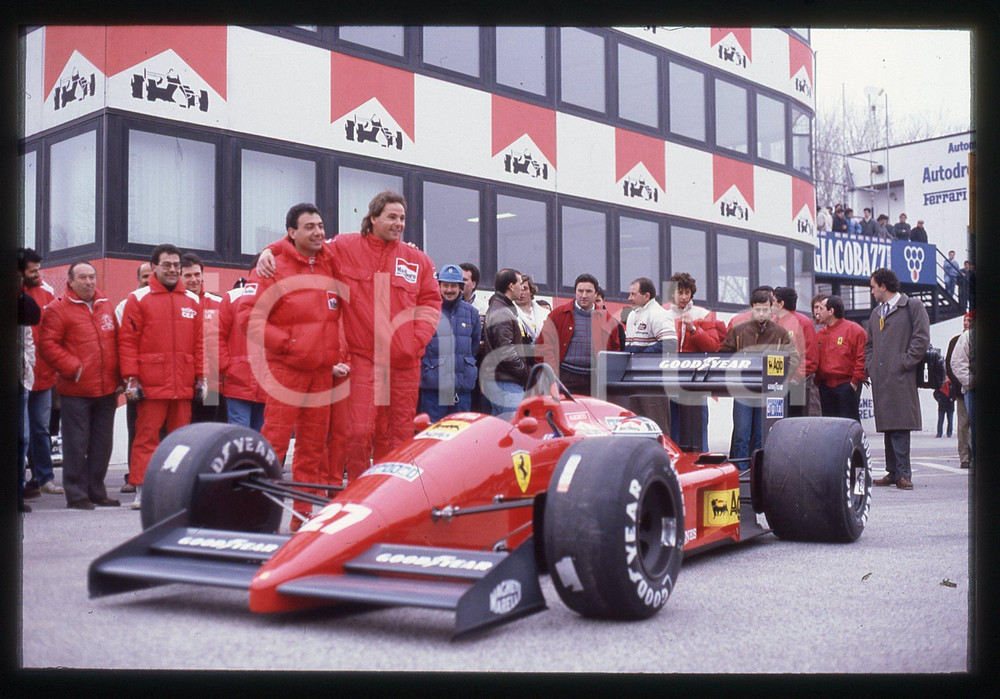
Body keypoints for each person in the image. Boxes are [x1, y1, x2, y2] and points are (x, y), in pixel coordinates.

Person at [257, 191, 442, 481]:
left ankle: (388, 497)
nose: (399, 224)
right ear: (373, 218)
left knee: (397, 436)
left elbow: (431, 302)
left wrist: (416, 341)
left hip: (404, 362)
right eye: (392, 217)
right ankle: (359, 490)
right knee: (358, 432)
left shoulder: (418, 260)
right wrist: (271, 249)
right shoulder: (344, 247)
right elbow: (307, 244)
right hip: (364, 357)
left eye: (402, 218)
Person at [241, 203, 347, 527]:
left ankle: (302, 518)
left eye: (320, 225)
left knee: (313, 449)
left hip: (322, 373)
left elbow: (362, 247)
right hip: (286, 371)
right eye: (309, 227)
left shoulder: (330, 260)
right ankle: (261, 514)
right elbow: (248, 317)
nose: (318, 232)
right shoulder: (271, 266)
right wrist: (288, 344)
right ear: (291, 233)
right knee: (273, 445)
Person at [118, 244, 205, 510]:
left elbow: (201, 343)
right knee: (146, 438)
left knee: (181, 441)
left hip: (183, 384)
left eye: (176, 265)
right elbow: (127, 341)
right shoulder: (137, 299)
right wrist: (131, 378)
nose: (172, 270)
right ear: (154, 267)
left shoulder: (192, 300)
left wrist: (202, 378)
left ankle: (176, 492)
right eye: (166, 265)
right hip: (151, 384)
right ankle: (143, 492)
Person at [37, 262, 121, 510]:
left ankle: (97, 491)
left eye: (92, 277)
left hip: (107, 388)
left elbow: (116, 340)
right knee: (77, 443)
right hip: (76, 389)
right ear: (71, 281)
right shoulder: (58, 309)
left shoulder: (105, 304)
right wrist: (73, 366)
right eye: (83, 277)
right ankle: (76, 494)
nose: (89, 282)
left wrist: (120, 376)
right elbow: (48, 345)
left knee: (102, 444)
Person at [865, 268, 929, 490]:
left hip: (901, 375)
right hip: (882, 377)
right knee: (888, 424)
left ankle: (903, 473)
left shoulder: (912, 306)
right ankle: (893, 472)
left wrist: (905, 362)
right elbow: (869, 345)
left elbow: (921, 338)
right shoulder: (877, 313)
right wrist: (871, 366)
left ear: (883, 286)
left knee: (900, 424)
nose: (872, 291)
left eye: (873, 286)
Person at [720, 288, 797, 469]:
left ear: (771, 309)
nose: (761, 313)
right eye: (757, 309)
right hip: (743, 391)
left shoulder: (781, 333)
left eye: (765, 309)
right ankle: (740, 473)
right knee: (741, 434)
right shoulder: (737, 332)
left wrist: (782, 378)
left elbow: (793, 358)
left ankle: (761, 473)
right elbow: (723, 356)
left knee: (763, 436)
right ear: (751, 309)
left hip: (769, 393)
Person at [19, 248, 63, 497]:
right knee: (21, 432)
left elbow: (53, 330)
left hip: (44, 374)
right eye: (32, 270)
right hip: (21, 376)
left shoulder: (47, 292)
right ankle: (21, 481)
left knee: (40, 429)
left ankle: (44, 477)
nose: (37, 274)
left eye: (38, 269)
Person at [663, 272, 723, 450]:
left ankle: (701, 460)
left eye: (687, 293)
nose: (683, 297)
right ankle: (673, 460)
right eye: (679, 292)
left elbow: (712, 346)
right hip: (669, 375)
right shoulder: (662, 313)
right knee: (672, 423)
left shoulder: (702, 314)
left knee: (698, 423)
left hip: (695, 378)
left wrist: (693, 329)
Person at [536, 273, 622, 397]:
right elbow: (543, 346)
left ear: (596, 293)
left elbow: (615, 352)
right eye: (580, 291)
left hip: (594, 381)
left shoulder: (608, 320)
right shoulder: (558, 315)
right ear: (575, 292)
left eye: (588, 291)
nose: (584, 295)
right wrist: (551, 374)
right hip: (564, 378)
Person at [419, 264, 482, 422]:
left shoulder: (472, 314)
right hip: (434, 389)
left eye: (453, 286)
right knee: (431, 435)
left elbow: (473, 347)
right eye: (445, 285)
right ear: (439, 286)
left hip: (461, 391)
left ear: (461, 287)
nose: (449, 290)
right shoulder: (427, 311)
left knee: (459, 437)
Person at [115, 262, 153, 493]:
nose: (148, 279)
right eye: (144, 276)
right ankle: (133, 476)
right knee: (135, 427)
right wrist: (127, 377)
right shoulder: (125, 304)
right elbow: (122, 343)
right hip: (135, 378)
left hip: (161, 379)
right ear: (137, 278)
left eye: (151, 275)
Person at [218, 267, 267, 433]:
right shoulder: (233, 297)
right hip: (238, 379)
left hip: (267, 383)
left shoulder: (281, 299)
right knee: (240, 435)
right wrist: (227, 367)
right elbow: (216, 335)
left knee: (262, 437)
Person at [181, 253, 225, 423]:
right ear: (179, 277)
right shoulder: (175, 303)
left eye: (197, 274)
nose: (193, 279)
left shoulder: (218, 303)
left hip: (212, 382)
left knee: (209, 429)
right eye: (187, 275)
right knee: (186, 430)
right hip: (184, 380)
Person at [481, 268, 531, 415]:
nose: (522, 287)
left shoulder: (500, 308)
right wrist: (524, 371)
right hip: (507, 384)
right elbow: (505, 350)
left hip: (502, 382)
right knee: (514, 431)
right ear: (511, 286)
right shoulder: (502, 311)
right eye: (520, 283)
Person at [814, 295, 867, 421]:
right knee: (829, 425)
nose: (817, 312)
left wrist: (854, 383)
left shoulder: (854, 330)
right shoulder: (820, 334)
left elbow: (862, 357)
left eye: (821, 308)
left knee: (848, 424)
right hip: (825, 386)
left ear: (831, 311)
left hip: (846, 385)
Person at [772, 286, 819, 418]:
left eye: (773, 301)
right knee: (775, 422)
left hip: (797, 384)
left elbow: (811, 357)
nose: (771, 304)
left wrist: (795, 377)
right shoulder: (772, 323)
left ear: (781, 304)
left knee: (796, 422)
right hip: (775, 383)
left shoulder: (803, 322)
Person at [19, 284, 41, 512]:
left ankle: (17, 491)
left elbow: (28, 339)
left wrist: (29, 366)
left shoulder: (22, 302)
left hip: (19, 382)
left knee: (22, 439)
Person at [946, 313, 973, 468]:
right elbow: (950, 365)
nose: (966, 323)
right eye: (965, 320)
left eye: (969, 320)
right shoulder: (956, 341)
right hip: (962, 389)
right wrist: (963, 383)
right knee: (963, 424)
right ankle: (965, 457)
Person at [624, 277, 678, 353]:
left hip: (649, 364)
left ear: (646, 296)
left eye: (633, 294)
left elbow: (670, 343)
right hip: (633, 364)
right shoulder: (632, 315)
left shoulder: (659, 314)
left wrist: (642, 357)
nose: (629, 298)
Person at [515, 273, 549, 342]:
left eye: (525, 288)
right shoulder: (507, 313)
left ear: (531, 291)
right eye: (518, 289)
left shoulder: (546, 314)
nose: (521, 292)